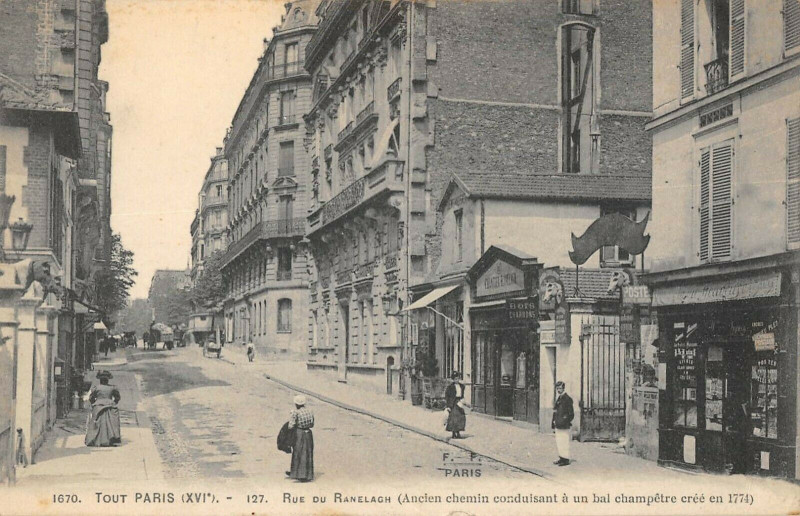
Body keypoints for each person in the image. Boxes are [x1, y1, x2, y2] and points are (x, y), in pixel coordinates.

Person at [85, 370, 122, 447]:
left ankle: (95, 439)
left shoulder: (96, 388)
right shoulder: (112, 388)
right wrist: (113, 402)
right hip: (110, 405)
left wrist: (94, 403)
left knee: (96, 422)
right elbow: (117, 397)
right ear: (108, 380)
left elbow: (91, 398)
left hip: (98, 406)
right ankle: (112, 438)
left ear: (100, 380)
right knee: (112, 422)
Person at [286, 395, 314, 481]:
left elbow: (291, 426)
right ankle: (308, 474)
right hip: (308, 433)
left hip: (299, 433)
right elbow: (312, 424)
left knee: (298, 452)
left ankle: (297, 473)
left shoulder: (296, 412)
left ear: (297, 404)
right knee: (308, 452)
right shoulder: (310, 411)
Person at [552, 381, 574, 466]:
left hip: (564, 425)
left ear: (563, 388)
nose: (558, 390)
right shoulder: (559, 398)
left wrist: (565, 421)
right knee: (559, 442)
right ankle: (561, 458)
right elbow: (555, 411)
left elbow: (571, 414)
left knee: (564, 442)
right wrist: (554, 421)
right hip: (558, 424)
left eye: (560, 388)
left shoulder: (567, 399)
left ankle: (566, 459)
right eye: (557, 388)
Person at [445, 371, 466, 439]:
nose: (457, 380)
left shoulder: (462, 386)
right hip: (453, 403)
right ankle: (453, 433)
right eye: (455, 379)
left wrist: (463, 401)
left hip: (459, 402)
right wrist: (448, 406)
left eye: (458, 378)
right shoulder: (450, 387)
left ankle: (458, 432)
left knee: (461, 417)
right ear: (453, 379)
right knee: (454, 418)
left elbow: (462, 395)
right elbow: (447, 397)